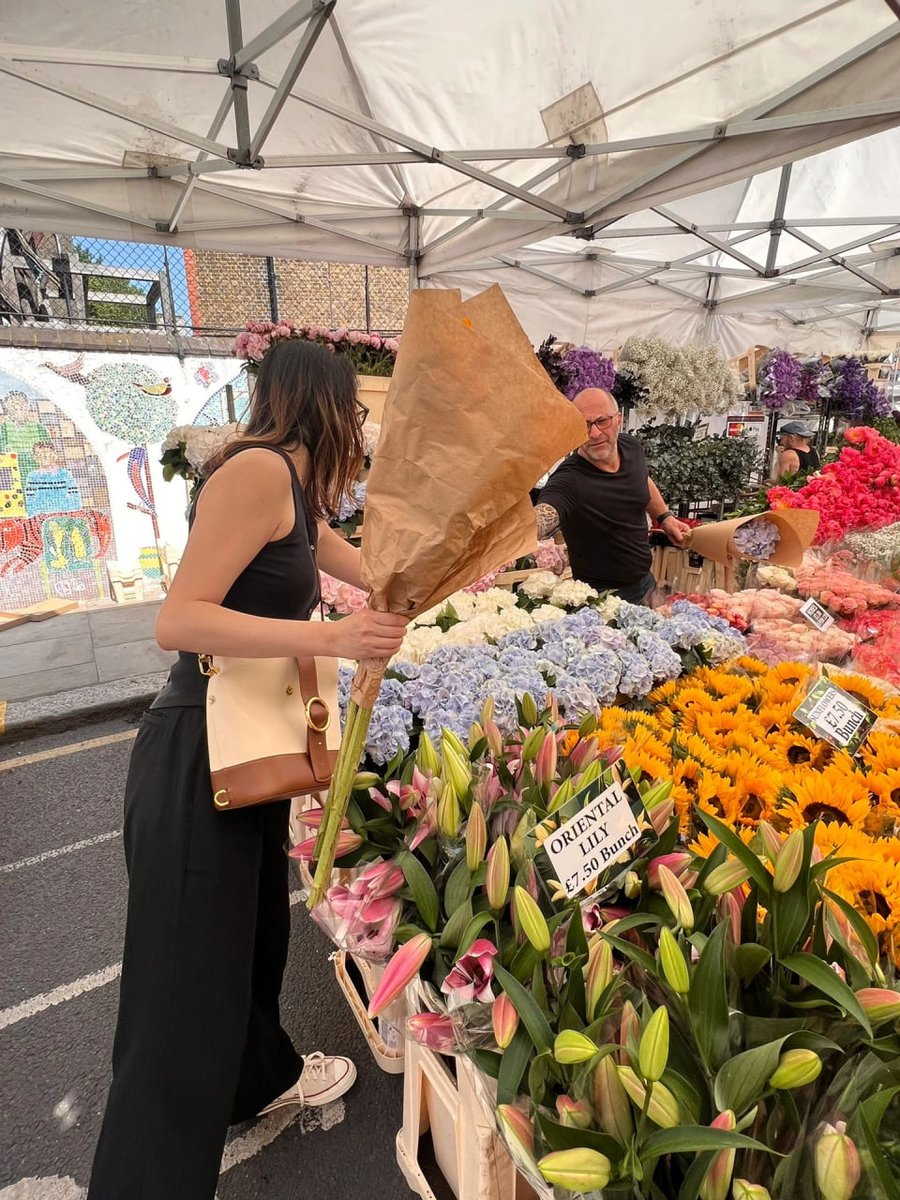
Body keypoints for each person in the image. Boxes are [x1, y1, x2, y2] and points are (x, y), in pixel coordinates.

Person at [88, 339, 408, 1200]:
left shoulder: (296, 494)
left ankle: (258, 1082)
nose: (360, 429)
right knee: (180, 992)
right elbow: (179, 620)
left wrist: (453, 555)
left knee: (249, 946)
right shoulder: (257, 473)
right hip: (197, 755)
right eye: (356, 411)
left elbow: (373, 571)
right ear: (324, 404)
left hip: (244, 752)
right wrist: (331, 636)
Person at [535, 388, 691, 605]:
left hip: (647, 585)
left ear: (618, 420)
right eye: (584, 425)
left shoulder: (631, 448)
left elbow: (642, 479)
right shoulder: (569, 479)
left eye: (602, 422)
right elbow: (545, 512)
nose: (594, 434)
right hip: (600, 601)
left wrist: (665, 517)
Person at [0, 390, 52, 481]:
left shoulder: (40, 429)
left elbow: (49, 455)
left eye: (21, 406)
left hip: (38, 477)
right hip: (11, 477)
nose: (18, 410)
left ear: (27, 407)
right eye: (14, 407)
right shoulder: (3, 429)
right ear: (7, 409)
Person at [24, 441, 82, 516]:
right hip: (42, 518)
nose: (44, 457)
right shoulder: (33, 477)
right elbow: (30, 501)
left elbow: (75, 498)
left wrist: (73, 516)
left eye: (48, 453)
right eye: (40, 454)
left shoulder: (65, 475)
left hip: (65, 517)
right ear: (35, 457)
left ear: (54, 455)